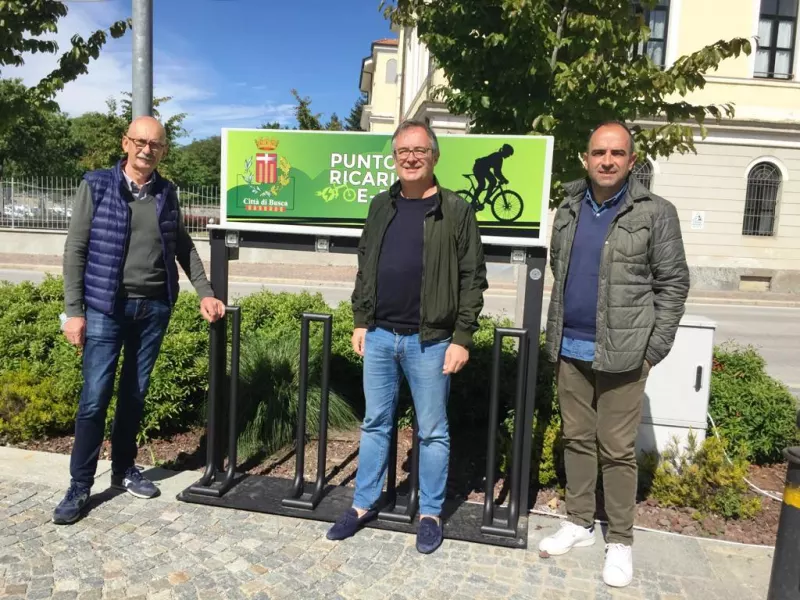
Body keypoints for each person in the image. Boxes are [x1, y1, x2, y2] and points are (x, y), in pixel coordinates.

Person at [53, 116, 226, 525]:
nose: (147, 149)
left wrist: (205, 291)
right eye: (140, 142)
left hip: (153, 310)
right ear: (125, 143)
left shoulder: (167, 192)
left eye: (156, 144)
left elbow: (182, 245)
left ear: (163, 150)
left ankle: (124, 469)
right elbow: (75, 250)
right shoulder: (96, 184)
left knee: (134, 394)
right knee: (95, 398)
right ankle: (79, 486)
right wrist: (73, 312)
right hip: (104, 309)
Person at [326, 119, 488, 554]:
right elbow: (366, 263)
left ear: (434, 156)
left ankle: (431, 513)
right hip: (379, 336)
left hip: (431, 341)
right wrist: (361, 320)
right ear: (395, 159)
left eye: (419, 151)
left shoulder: (456, 210)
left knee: (432, 430)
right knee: (376, 423)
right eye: (403, 152)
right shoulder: (382, 205)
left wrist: (462, 337)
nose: (411, 158)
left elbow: (473, 279)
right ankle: (363, 504)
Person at [539, 121, 689, 587]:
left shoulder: (655, 212)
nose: (607, 160)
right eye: (598, 152)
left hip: (626, 355)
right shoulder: (567, 207)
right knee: (577, 439)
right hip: (571, 347)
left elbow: (674, 283)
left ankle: (620, 540)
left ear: (631, 160)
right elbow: (558, 265)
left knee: (618, 449)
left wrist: (654, 349)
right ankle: (580, 522)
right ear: (586, 158)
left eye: (617, 153)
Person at [471, 143, 514, 209]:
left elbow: (497, 172)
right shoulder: (498, 157)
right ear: (505, 151)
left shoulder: (499, 157)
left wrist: (503, 179)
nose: (508, 156)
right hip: (479, 167)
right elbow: (497, 173)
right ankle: (474, 202)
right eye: (508, 154)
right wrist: (504, 179)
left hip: (483, 169)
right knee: (482, 185)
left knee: (493, 181)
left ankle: (486, 198)